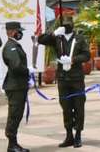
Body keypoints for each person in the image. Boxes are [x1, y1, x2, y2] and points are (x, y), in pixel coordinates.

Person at [37, 15, 91, 148]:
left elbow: (87, 55)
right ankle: (69, 135)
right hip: (62, 78)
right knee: (66, 108)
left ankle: (78, 134)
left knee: (79, 107)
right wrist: (53, 33)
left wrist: (73, 60)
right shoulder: (58, 38)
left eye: (68, 25)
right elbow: (41, 40)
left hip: (76, 78)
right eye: (64, 26)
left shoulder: (79, 38)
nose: (67, 28)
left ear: (72, 25)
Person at [2, 21, 31, 152]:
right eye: (19, 31)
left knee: (17, 114)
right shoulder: (11, 47)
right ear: (13, 31)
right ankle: (11, 144)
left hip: (19, 85)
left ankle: (14, 144)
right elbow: (16, 66)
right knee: (14, 115)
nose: (21, 34)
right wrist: (28, 70)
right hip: (15, 86)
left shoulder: (14, 45)